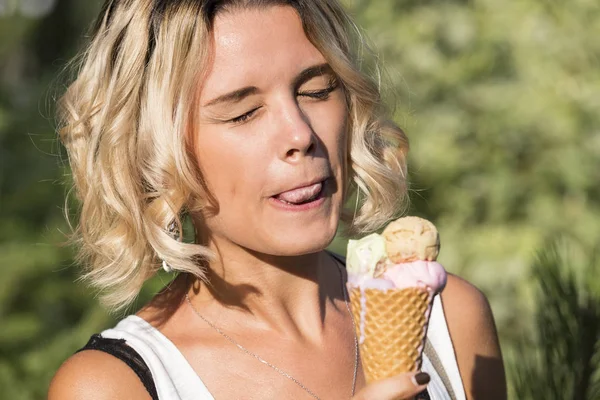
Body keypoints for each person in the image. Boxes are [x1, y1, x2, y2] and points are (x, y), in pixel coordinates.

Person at [49, 0, 506, 399]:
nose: (300, 134)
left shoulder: (448, 320)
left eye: (317, 91)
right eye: (243, 112)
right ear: (155, 152)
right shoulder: (113, 386)